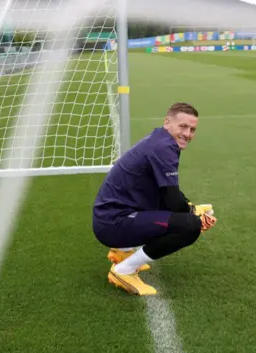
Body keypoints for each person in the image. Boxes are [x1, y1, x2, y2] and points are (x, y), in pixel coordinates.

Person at [92, 102, 217, 296]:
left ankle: (122, 251)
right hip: (112, 223)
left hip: (111, 216)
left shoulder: (161, 139)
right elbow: (172, 201)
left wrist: (190, 206)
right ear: (167, 122)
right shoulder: (163, 147)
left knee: (179, 213)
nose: (187, 133)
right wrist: (193, 214)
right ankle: (123, 271)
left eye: (192, 129)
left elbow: (168, 191)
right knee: (189, 226)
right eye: (182, 126)